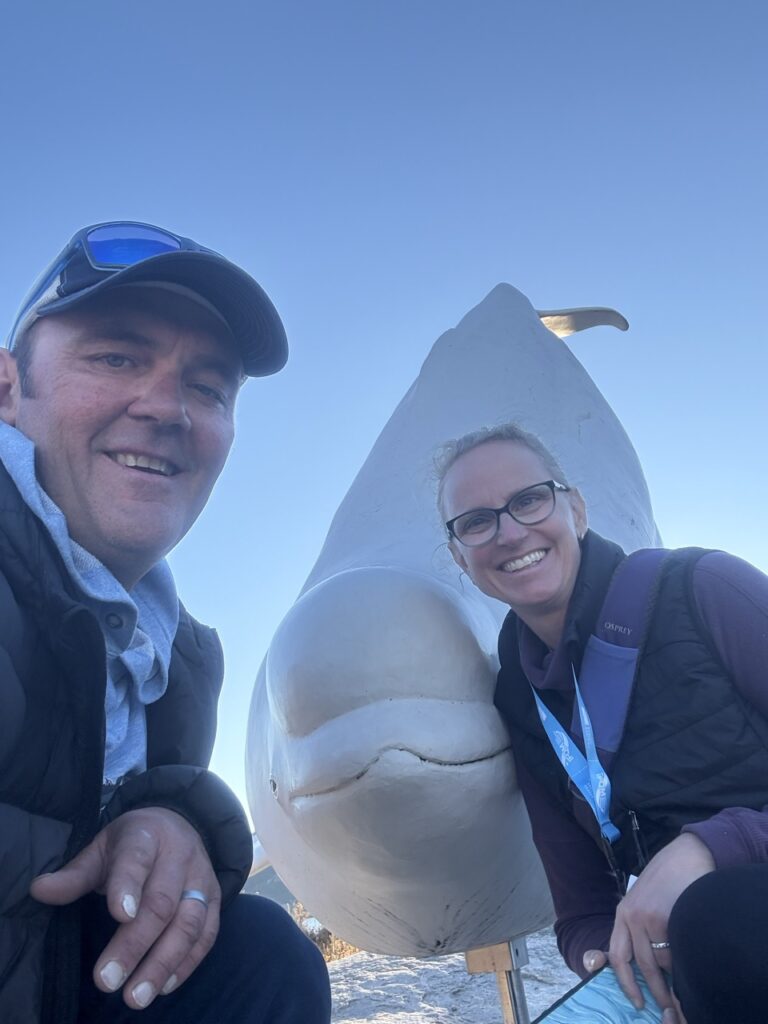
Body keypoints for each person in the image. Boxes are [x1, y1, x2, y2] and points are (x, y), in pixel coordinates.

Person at [0, 222, 331, 1024]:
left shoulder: (175, 671)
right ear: (8, 392)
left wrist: (170, 819)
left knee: (259, 957)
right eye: (116, 357)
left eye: (209, 388)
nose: (168, 408)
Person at [436, 422, 768, 1024]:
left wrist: (711, 848)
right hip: (709, 970)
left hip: (731, 929)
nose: (509, 532)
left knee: (715, 917)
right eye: (477, 521)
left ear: (578, 510)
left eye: (529, 500)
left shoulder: (704, 588)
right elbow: (582, 909)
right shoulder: (521, 702)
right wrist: (609, 963)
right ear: (461, 556)